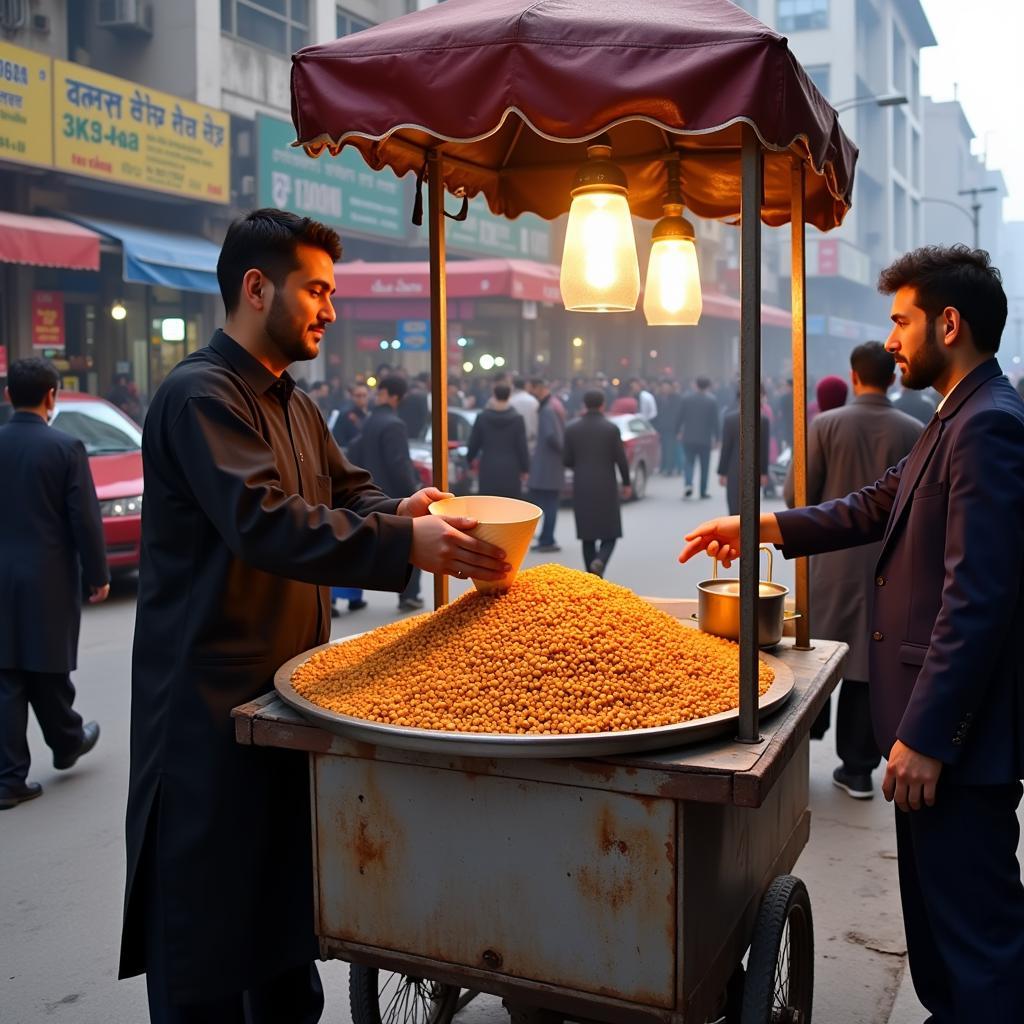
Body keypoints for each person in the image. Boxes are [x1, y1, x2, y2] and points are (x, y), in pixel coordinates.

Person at [119, 209, 509, 1022]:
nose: (331, 310)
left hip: (282, 700)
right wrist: (408, 543)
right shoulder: (201, 395)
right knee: (207, 953)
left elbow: (343, 491)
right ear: (257, 288)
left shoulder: (291, 402)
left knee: (283, 940)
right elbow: (266, 522)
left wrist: (404, 506)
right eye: (318, 290)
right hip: (204, 721)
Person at [681, 245, 1024, 1021]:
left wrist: (931, 736)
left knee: (978, 947)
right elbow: (872, 505)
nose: (893, 339)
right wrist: (762, 524)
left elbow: (978, 598)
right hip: (930, 731)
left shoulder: (988, 426)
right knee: (942, 942)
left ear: (948, 322)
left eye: (901, 321)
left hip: (956, 746)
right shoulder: (953, 416)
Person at [784, 343, 922, 798]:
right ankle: (858, 769)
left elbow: (795, 498)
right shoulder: (915, 430)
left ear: (854, 376)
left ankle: (795, 758)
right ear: (893, 377)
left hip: (829, 566)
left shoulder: (824, 425)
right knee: (867, 664)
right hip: (891, 568)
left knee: (815, 656)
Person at [0, 358, 108, 810]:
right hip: (47, 576)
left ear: (9, 396)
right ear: (52, 396)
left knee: (6, 673)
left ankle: (11, 776)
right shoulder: (65, 447)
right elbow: (84, 519)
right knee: (47, 666)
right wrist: (98, 574)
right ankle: (65, 740)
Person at [348, 375, 426, 612]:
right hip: (394, 494)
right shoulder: (394, 424)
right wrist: (413, 491)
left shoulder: (371, 420)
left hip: (372, 491)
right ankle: (409, 595)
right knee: (413, 544)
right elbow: (398, 464)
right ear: (397, 397)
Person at [563, 390, 631, 576]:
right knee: (611, 532)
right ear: (603, 405)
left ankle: (592, 576)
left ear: (584, 404)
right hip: (606, 484)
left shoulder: (572, 428)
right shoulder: (610, 429)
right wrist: (626, 482)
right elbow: (621, 459)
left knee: (587, 535)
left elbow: (566, 459)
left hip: (582, 484)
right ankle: (600, 560)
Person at [466, 383, 529, 498]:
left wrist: (469, 461)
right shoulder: (517, 419)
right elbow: (522, 446)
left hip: (488, 466)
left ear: (494, 395)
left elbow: (474, 443)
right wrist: (525, 468)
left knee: (489, 505)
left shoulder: (482, 418)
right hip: (511, 468)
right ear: (509, 396)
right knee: (510, 505)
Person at [526, 377, 565, 552]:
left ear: (539, 387)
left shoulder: (547, 409)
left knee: (548, 504)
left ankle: (547, 539)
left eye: (532, 389)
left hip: (548, 465)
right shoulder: (551, 406)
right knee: (548, 503)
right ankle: (545, 538)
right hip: (550, 464)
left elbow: (552, 437)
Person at [716, 392, 769, 515]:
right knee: (751, 505)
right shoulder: (762, 420)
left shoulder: (730, 419)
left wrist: (722, 472)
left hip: (734, 467)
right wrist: (764, 473)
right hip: (754, 467)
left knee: (734, 504)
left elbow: (726, 448)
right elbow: (764, 449)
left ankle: (735, 531)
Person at [677, 376, 720, 499]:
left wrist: (677, 431)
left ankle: (688, 484)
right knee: (704, 466)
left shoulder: (686, 399)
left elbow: (680, 417)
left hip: (689, 437)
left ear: (695, 385)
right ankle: (703, 491)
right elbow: (715, 421)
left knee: (689, 462)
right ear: (708, 386)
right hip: (705, 438)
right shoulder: (712, 401)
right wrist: (717, 438)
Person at [653, 379, 683, 475]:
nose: (665, 389)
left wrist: (680, 429)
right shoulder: (658, 398)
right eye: (663, 387)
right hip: (661, 427)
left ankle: (671, 468)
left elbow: (679, 414)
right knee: (664, 448)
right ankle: (664, 466)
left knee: (671, 448)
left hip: (673, 427)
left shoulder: (677, 398)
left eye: (667, 387)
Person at [331, 382, 370, 449]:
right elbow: (339, 440)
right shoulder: (344, 416)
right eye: (358, 396)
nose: (362, 398)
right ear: (352, 397)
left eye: (364, 395)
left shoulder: (371, 414)